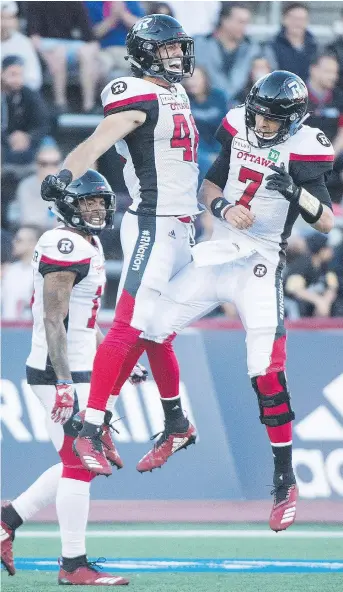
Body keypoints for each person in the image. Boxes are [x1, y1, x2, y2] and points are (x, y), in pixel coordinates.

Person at [135, 71, 335, 532]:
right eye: (258, 115)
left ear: (292, 120)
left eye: (271, 119)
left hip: (261, 262)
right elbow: (210, 186)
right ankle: (177, 423)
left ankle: (284, 478)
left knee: (265, 370)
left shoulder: (306, 146)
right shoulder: (236, 125)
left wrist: (295, 192)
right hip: (220, 250)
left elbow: (324, 221)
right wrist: (224, 208)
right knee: (151, 328)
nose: (261, 125)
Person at [40, 15, 199, 477]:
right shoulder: (135, 94)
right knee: (130, 326)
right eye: (168, 49)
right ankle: (91, 426)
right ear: (147, 53)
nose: (177, 56)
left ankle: (175, 422)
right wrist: (65, 175)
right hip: (153, 221)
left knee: (156, 331)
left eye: (178, 48)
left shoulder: (177, 91)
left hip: (184, 226)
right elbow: (97, 142)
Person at [0, 170, 135, 585]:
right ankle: (73, 564)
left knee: (77, 463)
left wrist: (114, 357)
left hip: (78, 368)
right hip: (59, 370)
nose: (96, 209)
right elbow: (53, 319)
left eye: (100, 202)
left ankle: (7, 520)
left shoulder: (85, 242)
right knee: (80, 463)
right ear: (68, 208)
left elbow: (80, 317)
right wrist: (62, 382)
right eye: (87, 203)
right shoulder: (65, 243)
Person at [27, 1, 99, 113]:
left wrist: (91, 51)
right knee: (59, 53)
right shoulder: (36, 3)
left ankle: (89, 105)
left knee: (86, 52)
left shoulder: (76, 3)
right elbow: (33, 37)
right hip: (46, 44)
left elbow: (90, 37)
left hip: (69, 44)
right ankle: (60, 103)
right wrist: (45, 55)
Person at [194, 2, 260, 104]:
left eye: (247, 22)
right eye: (240, 22)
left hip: (239, 110)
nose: (245, 27)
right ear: (224, 20)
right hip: (204, 109)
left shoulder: (253, 49)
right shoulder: (198, 44)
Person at [1, 55, 50, 166]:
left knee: (49, 146)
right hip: (3, 141)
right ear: (2, 74)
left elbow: (43, 123)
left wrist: (28, 137)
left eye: (20, 75)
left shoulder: (30, 95)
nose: (17, 79)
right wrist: (9, 138)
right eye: (13, 74)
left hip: (28, 140)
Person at [183, 66, 227, 183]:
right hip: (195, 149)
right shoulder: (183, 99)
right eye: (188, 78)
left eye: (196, 78)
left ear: (205, 79)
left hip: (219, 146)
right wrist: (208, 156)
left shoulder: (219, 96)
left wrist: (218, 153)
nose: (191, 82)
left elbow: (225, 127)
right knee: (205, 164)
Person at [8, 143, 62, 229]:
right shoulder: (26, 186)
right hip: (31, 234)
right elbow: (28, 218)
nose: (49, 167)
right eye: (44, 163)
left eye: (55, 163)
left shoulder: (69, 187)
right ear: (36, 164)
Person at [85, 1, 145, 80]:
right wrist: (113, 18)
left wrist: (123, 14)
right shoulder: (91, 3)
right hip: (103, 51)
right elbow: (93, 34)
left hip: (127, 52)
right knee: (99, 68)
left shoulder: (131, 2)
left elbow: (143, 29)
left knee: (142, 68)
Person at [284, 233, 338, 318]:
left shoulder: (327, 266)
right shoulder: (302, 265)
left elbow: (332, 288)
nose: (331, 251)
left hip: (318, 305)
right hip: (295, 305)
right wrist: (318, 301)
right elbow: (296, 290)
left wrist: (325, 302)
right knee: (298, 305)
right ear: (320, 250)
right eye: (328, 248)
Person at [267, 2, 318, 82]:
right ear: (284, 19)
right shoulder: (272, 46)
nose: (298, 23)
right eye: (294, 19)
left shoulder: (315, 47)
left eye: (302, 19)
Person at [1, 225, 42, 320]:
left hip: (29, 329)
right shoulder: (10, 270)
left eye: (19, 240)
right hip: (7, 328)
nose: (14, 242)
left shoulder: (41, 272)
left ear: (33, 243)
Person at [1, 1, 43, 91]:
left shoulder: (24, 43)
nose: (4, 23)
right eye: (1, 18)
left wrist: (15, 81)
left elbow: (34, 79)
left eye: (9, 18)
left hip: (20, 93)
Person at [306, 53, 343, 154]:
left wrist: (330, 157)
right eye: (328, 72)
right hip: (300, 156)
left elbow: (342, 133)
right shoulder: (298, 96)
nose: (333, 77)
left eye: (335, 73)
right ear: (313, 70)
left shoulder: (339, 97)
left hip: (333, 156)